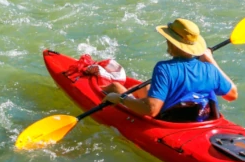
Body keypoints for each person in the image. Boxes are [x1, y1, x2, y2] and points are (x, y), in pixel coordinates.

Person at [93, 18, 237, 122]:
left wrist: (120, 99)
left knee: (117, 88)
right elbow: (232, 95)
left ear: (171, 41)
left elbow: (152, 110)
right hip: (200, 119)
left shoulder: (164, 68)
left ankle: (96, 88)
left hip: (170, 121)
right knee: (146, 86)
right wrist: (210, 60)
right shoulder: (209, 69)